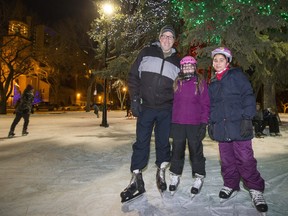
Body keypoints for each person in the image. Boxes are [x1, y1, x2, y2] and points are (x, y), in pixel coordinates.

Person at [120, 25, 181, 203]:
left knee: (163, 143)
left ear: (174, 40)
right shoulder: (146, 52)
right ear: (159, 37)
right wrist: (134, 99)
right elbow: (133, 76)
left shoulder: (177, 62)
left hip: (165, 110)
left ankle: (161, 171)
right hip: (146, 107)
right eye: (165, 36)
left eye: (171, 37)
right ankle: (136, 178)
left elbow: (179, 90)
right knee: (141, 142)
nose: (167, 39)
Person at [208, 47, 268, 214]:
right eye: (215, 60)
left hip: (239, 126)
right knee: (227, 160)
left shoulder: (236, 75)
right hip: (222, 128)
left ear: (228, 61)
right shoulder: (212, 83)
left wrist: (247, 117)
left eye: (221, 60)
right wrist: (211, 123)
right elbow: (212, 105)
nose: (217, 63)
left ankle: (255, 189)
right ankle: (230, 184)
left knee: (245, 159)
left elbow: (248, 95)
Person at [168, 56, 210, 197]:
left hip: (194, 124)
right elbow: (171, 104)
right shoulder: (176, 82)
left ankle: (199, 176)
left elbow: (205, 104)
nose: (187, 68)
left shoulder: (200, 82)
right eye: (185, 66)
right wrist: (170, 123)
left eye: (190, 66)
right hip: (178, 123)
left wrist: (203, 123)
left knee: (195, 150)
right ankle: (175, 174)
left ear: (194, 67)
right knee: (177, 150)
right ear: (181, 68)